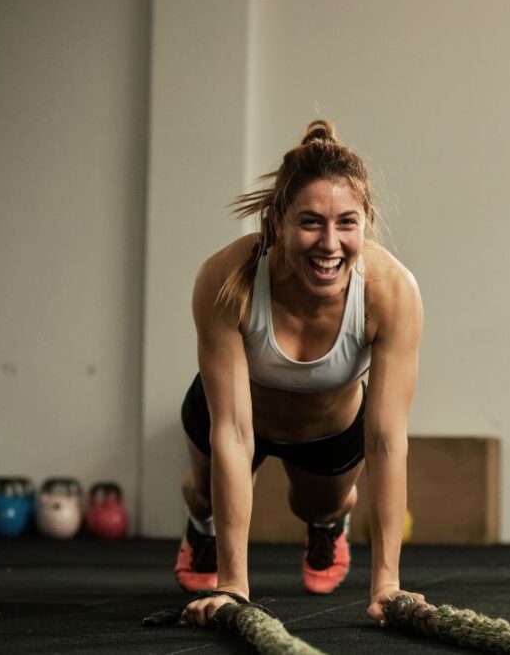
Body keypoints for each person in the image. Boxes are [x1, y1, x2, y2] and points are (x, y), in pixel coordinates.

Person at [173, 120, 424, 626]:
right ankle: (202, 528)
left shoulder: (392, 292)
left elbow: (387, 442)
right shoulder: (225, 280)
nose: (329, 244)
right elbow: (233, 431)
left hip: (328, 429)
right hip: (238, 412)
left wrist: (387, 584)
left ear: (366, 222)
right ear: (276, 223)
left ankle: (327, 526)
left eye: (347, 223)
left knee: (319, 506)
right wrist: (232, 587)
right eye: (310, 222)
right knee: (202, 491)